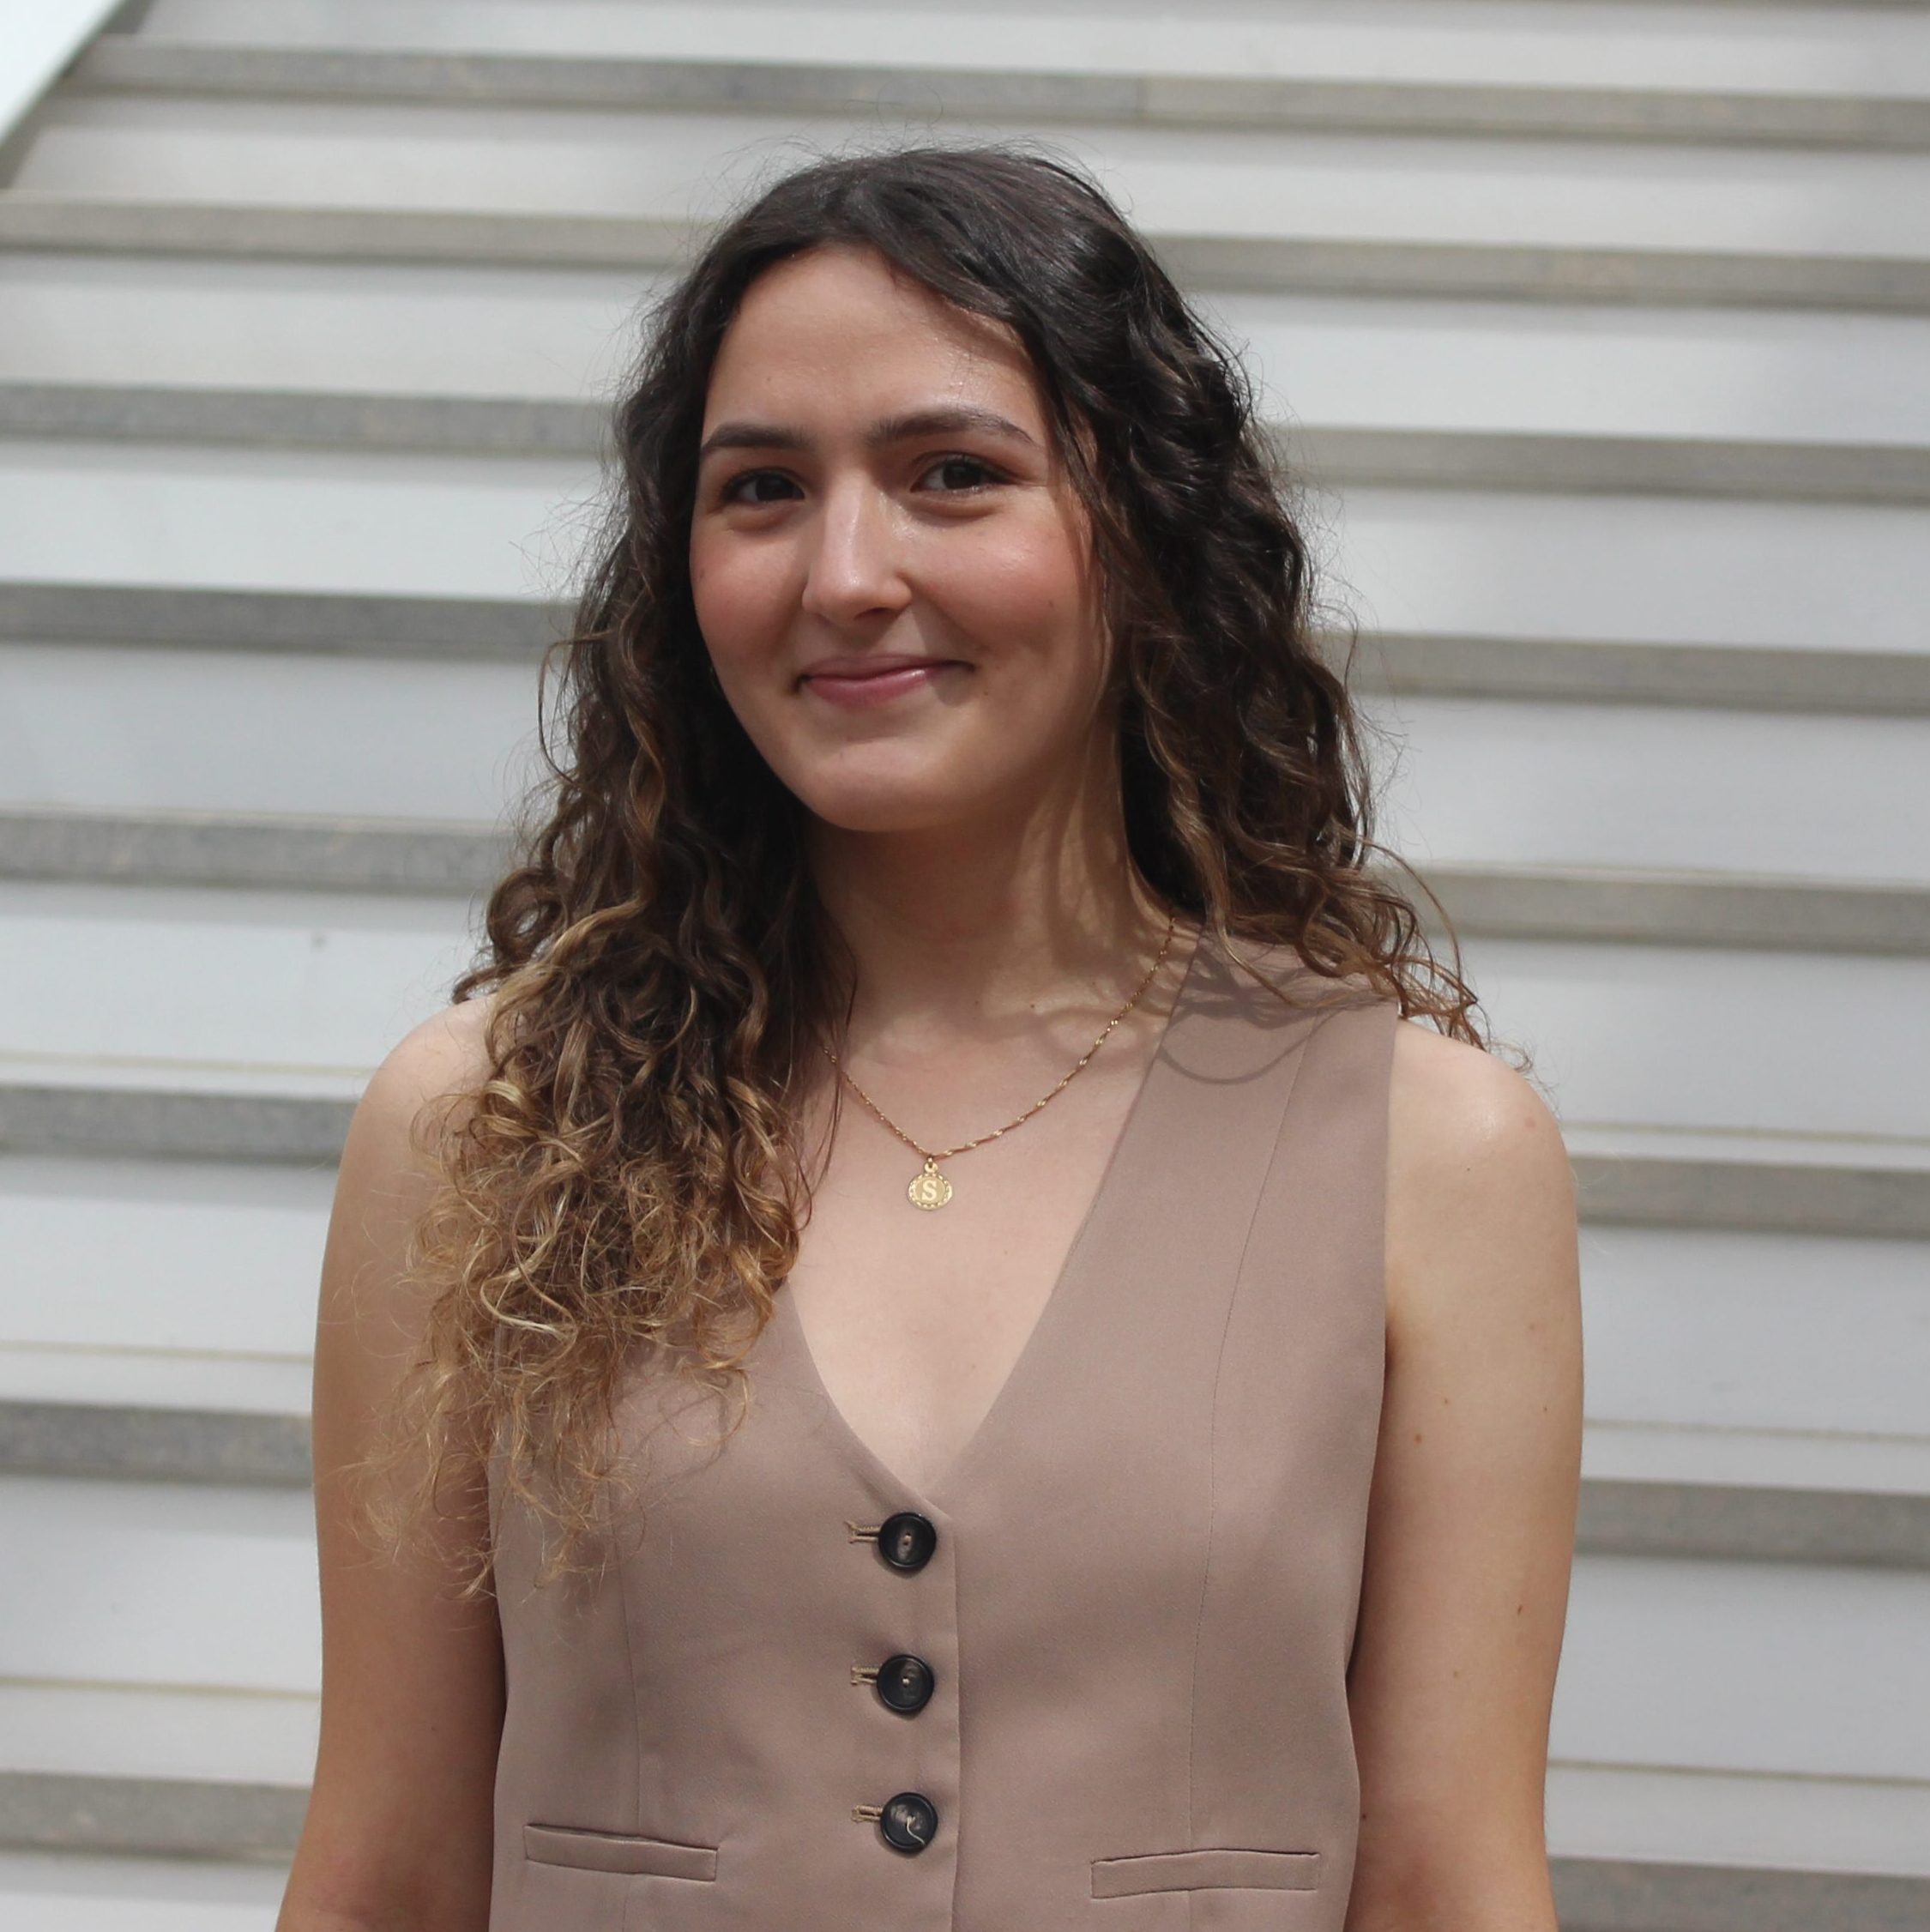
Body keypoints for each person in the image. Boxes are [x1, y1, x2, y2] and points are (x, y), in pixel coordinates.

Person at [277, 143, 1582, 1932]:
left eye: (952, 474)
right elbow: (387, 1875)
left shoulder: (1430, 1152)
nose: (846, 574)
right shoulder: (485, 1126)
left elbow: (1447, 1885)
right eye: (760, 490)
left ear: (1143, 528)